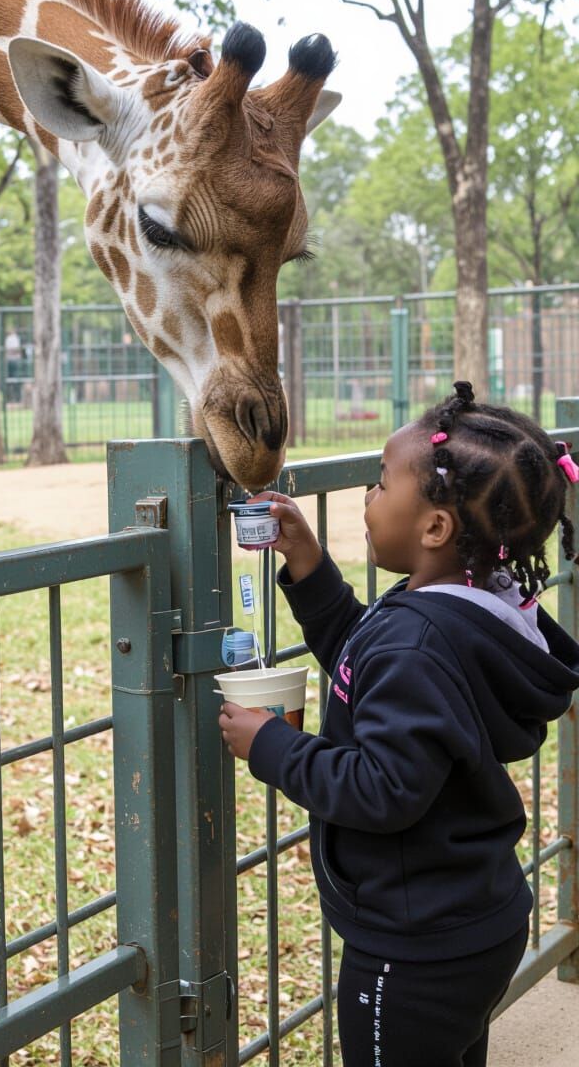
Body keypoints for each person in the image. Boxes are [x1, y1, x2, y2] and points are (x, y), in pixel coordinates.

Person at [218, 381, 579, 1067]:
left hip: (414, 956)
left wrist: (273, 745)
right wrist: (310, 564)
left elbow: (382, 788)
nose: (368, 498)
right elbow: (370, 658)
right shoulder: (463, 607)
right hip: (471, 916)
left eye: (382, 485)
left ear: (436, 528)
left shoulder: (422, 640)